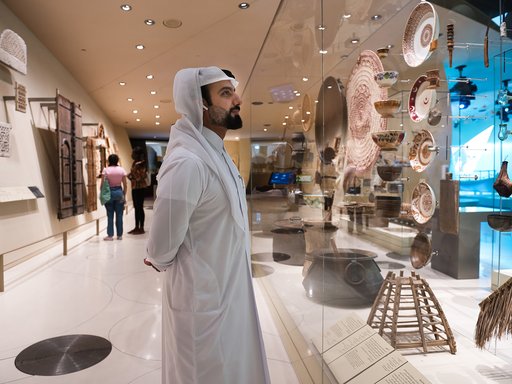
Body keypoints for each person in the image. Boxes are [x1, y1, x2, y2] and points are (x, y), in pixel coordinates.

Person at [145, 67, 270, 384]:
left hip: (228, 296)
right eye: (226, 94)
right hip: (201, 305)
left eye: (233, 91)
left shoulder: (218, 155)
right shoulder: (188, 162)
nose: (238, 99)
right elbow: (160, 248)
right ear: (198, 103)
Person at [101, 154, 127, 240]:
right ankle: (119, 235)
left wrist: (102, 194)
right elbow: (125, 185)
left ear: (108, 161)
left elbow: (102, 185)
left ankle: (110, 235)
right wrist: (124, 195)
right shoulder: (121, 170)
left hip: (109, 193)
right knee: (119, 215)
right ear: (117, 161)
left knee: (110, 215)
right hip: (119, 192)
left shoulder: (105, 170)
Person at [127, 146, 148, 234]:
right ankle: (136, 227)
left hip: (140, 188)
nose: (132, 155)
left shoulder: (141, 164)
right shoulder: (135, 163)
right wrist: (131, 176)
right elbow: (132, 175)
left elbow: (140, 177)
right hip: (135, 187)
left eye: (134, 153)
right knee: (136, 207)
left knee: (140, 207)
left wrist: (132, 176)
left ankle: (141, 227)